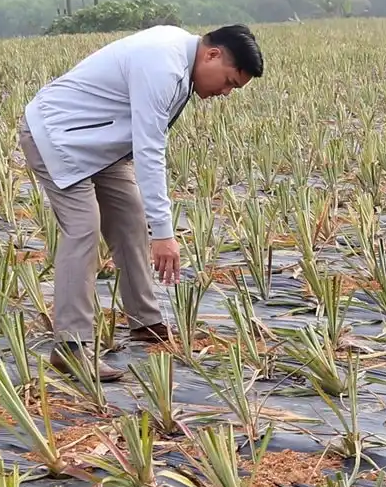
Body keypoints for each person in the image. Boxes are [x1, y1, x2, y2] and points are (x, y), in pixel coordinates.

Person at [19, 22, 263, 379]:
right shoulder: (163, 64)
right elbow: (150, 149)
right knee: (83, 231)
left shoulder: (182, 63)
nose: (226, 92)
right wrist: (164, 234)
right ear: (212, 54)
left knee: (131, 220)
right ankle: (71, 346)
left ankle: (145, 322)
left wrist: (154, 227)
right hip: (58, 137)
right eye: (229, 81)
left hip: (104, 146)